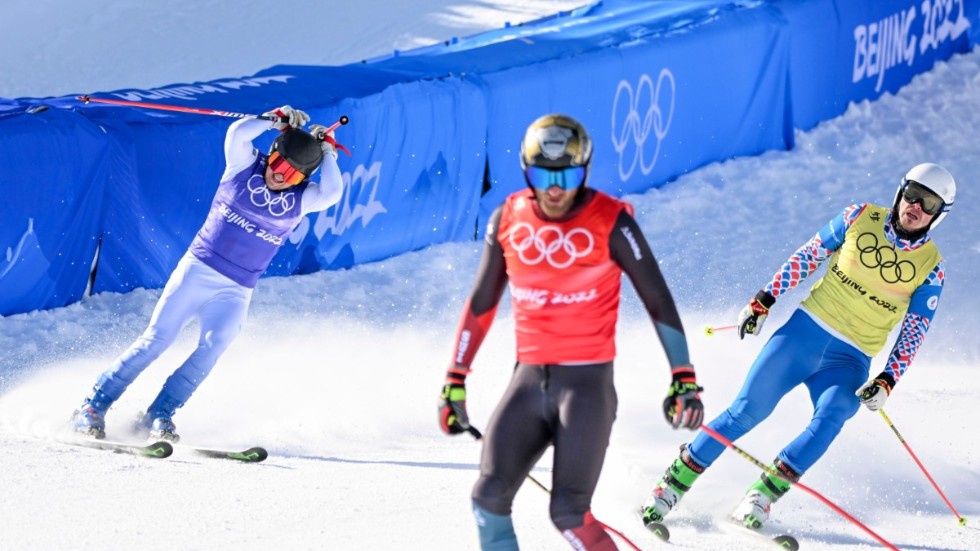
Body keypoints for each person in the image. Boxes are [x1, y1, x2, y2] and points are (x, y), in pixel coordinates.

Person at [437, 113, 704, 550]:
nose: (556, 187)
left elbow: (658, 300)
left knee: (567, 513)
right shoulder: (508, 217)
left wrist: (684, 377)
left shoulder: (611, 221)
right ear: (526, 170)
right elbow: (482, 303)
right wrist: (454, 379)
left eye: (569, 175)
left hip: (585, 390)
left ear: (586, 170)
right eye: (544, 175)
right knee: (487, 497)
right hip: (527, 383)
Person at [640, 163, 956, 531]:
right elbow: (808, 256)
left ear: (938, 216)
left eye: (928, 204)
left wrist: (888, 379)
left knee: (834, 415)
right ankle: (670, 486)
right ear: (900, 192)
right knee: (746, 411)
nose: (915, 207)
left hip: (850, 359)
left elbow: (915, 329)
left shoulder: (932, 267)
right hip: (803, 336)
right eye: (913, 195)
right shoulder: (859, 217)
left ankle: (761, 497)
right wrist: (764, 299)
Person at [70, 105, 345, 442]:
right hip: (199, 269)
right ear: (272, 154)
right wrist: (270, 120)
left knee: (213, 347)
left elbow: (332, 192)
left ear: (303, 179)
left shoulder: (302, 200)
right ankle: (93, 406)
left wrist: (328, 152)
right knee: (157, 340)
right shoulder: (243, 166)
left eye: (292, 175)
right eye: (279, 165)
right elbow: (236, 134)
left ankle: (160, 414)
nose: (280, 176)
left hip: (237, 288)